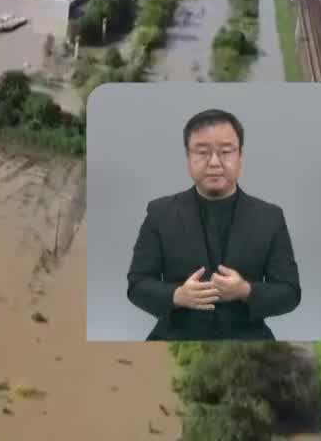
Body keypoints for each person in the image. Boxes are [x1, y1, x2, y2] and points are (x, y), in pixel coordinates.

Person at [126, 108, 301, 340]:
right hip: (174, 336)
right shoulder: (160, 213)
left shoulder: (270, 217)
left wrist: (245, 291)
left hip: (247, 339)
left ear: (240, 156)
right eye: (202, 152)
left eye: (226, 152)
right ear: (188, 157)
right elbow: (137, 285)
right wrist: (177, 295)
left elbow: (290, 292)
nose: (215, 163)